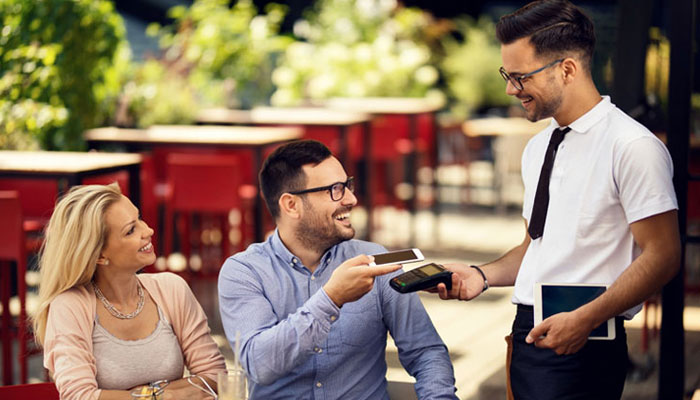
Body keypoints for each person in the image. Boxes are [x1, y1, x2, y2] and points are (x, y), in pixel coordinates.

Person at [430, 1, 681, 399]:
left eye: (520, 76)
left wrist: (584, 320)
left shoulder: (632, 147)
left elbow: (663, 255)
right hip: (529, 331)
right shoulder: (538, 146)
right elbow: (537, 248)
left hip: (585, 341)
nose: (511, 89)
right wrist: (480, 275)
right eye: (506, 75)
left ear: (567, 69)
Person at [218, 140, 457, 399]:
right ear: (291, 205)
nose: (352, 199)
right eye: (335, 190)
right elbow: (259, 365)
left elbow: (426, 352)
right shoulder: (244, 272)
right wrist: (331, 299)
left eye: (347, 185)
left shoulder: (377, 260)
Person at [33, 183, 226, 400]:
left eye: (139, 219)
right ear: (99, 256)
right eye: (131, 230)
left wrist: (140, 395)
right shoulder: (70, 305)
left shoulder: (172, 288)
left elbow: (215, 376)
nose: (148, 231)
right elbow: (79, 396)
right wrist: (164, 396)